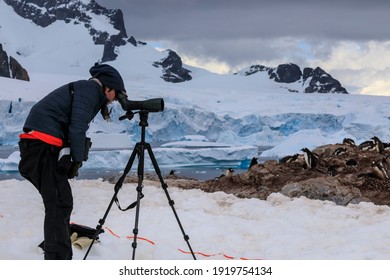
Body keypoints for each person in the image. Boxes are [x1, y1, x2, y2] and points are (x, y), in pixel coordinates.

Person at [18, 63, 127, 260]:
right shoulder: (90, 91)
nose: (114, 100)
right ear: (107, 87)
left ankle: (57, 251)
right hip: (41, 145)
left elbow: (70, 125)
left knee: (60, 201)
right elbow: (77, 126)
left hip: (41, 145)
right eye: (116, 94)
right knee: (60, 202)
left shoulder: (87, 90)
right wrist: (76, 160)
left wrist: (68, 155)